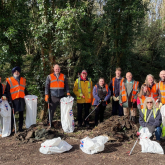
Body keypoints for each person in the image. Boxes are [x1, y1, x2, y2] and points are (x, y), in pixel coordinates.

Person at [5, 66, 28, 132]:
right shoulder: (9, 80)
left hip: (21, 99)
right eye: (15, 71)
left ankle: (20, 128)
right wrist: (9, 100)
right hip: (14, 99)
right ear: (13, 73)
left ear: (19, 72)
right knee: (12, 115)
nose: (17, 72)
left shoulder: (23, 80)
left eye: (18, 71)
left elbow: (24, 90)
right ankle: (11, 129)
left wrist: (28, 96)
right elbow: (7, 91)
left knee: (21, 114)